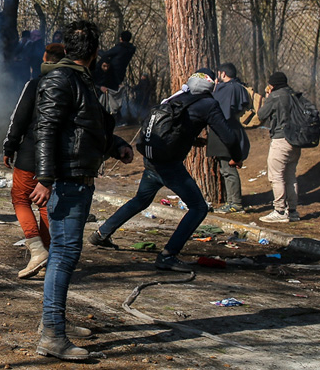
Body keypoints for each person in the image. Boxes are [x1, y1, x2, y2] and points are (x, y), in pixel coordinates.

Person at [30, 20, 133, 360]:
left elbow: (85, 126)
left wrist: (115, 143)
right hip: (67, 179)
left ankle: (54, 323)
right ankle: (52, 335)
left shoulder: (78, 79)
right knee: (63, 254)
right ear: (95, 51)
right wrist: (45, 178)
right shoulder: (62, 79)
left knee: (63, 254)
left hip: (77, 176)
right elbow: (44, 129)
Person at [88, 69, 243, 272]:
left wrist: (193, 140)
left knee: (141, 200)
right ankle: (168, 255)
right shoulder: (208, 104)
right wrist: (237, 157)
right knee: (198, 208)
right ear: (210, 86)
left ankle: (101, 234)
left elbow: (173, 128)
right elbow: (229, 137)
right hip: (169, 166)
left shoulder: (178, 98)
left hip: (152, 160)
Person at [3, 43, 66, 279]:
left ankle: (38, 249)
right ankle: (47, 256)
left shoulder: (35, 84)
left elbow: (18, 118)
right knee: (45, 205)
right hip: (58, 156)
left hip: (31, 153)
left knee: (21, 199)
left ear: (44, 58)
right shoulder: (71, 85)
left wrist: (9, 145)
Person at [257, 72, 302, 223]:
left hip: (281, 139)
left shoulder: (275, 96)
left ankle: (279, 211)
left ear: (273, 85)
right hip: (296, 140)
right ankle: (293, 211)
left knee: (276, 176)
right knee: (290, 175)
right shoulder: (294, 95)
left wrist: (268, 97)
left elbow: (261, 114)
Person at [207, 63, 251, 214]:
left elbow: (217, 108)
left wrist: (215, 89)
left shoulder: (226, 89)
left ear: (223, 74)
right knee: (227, 168)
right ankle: (232, 201)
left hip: (225, 132)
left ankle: (236, 203)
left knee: (228, 169)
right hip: (235, 130)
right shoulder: (239, 87)